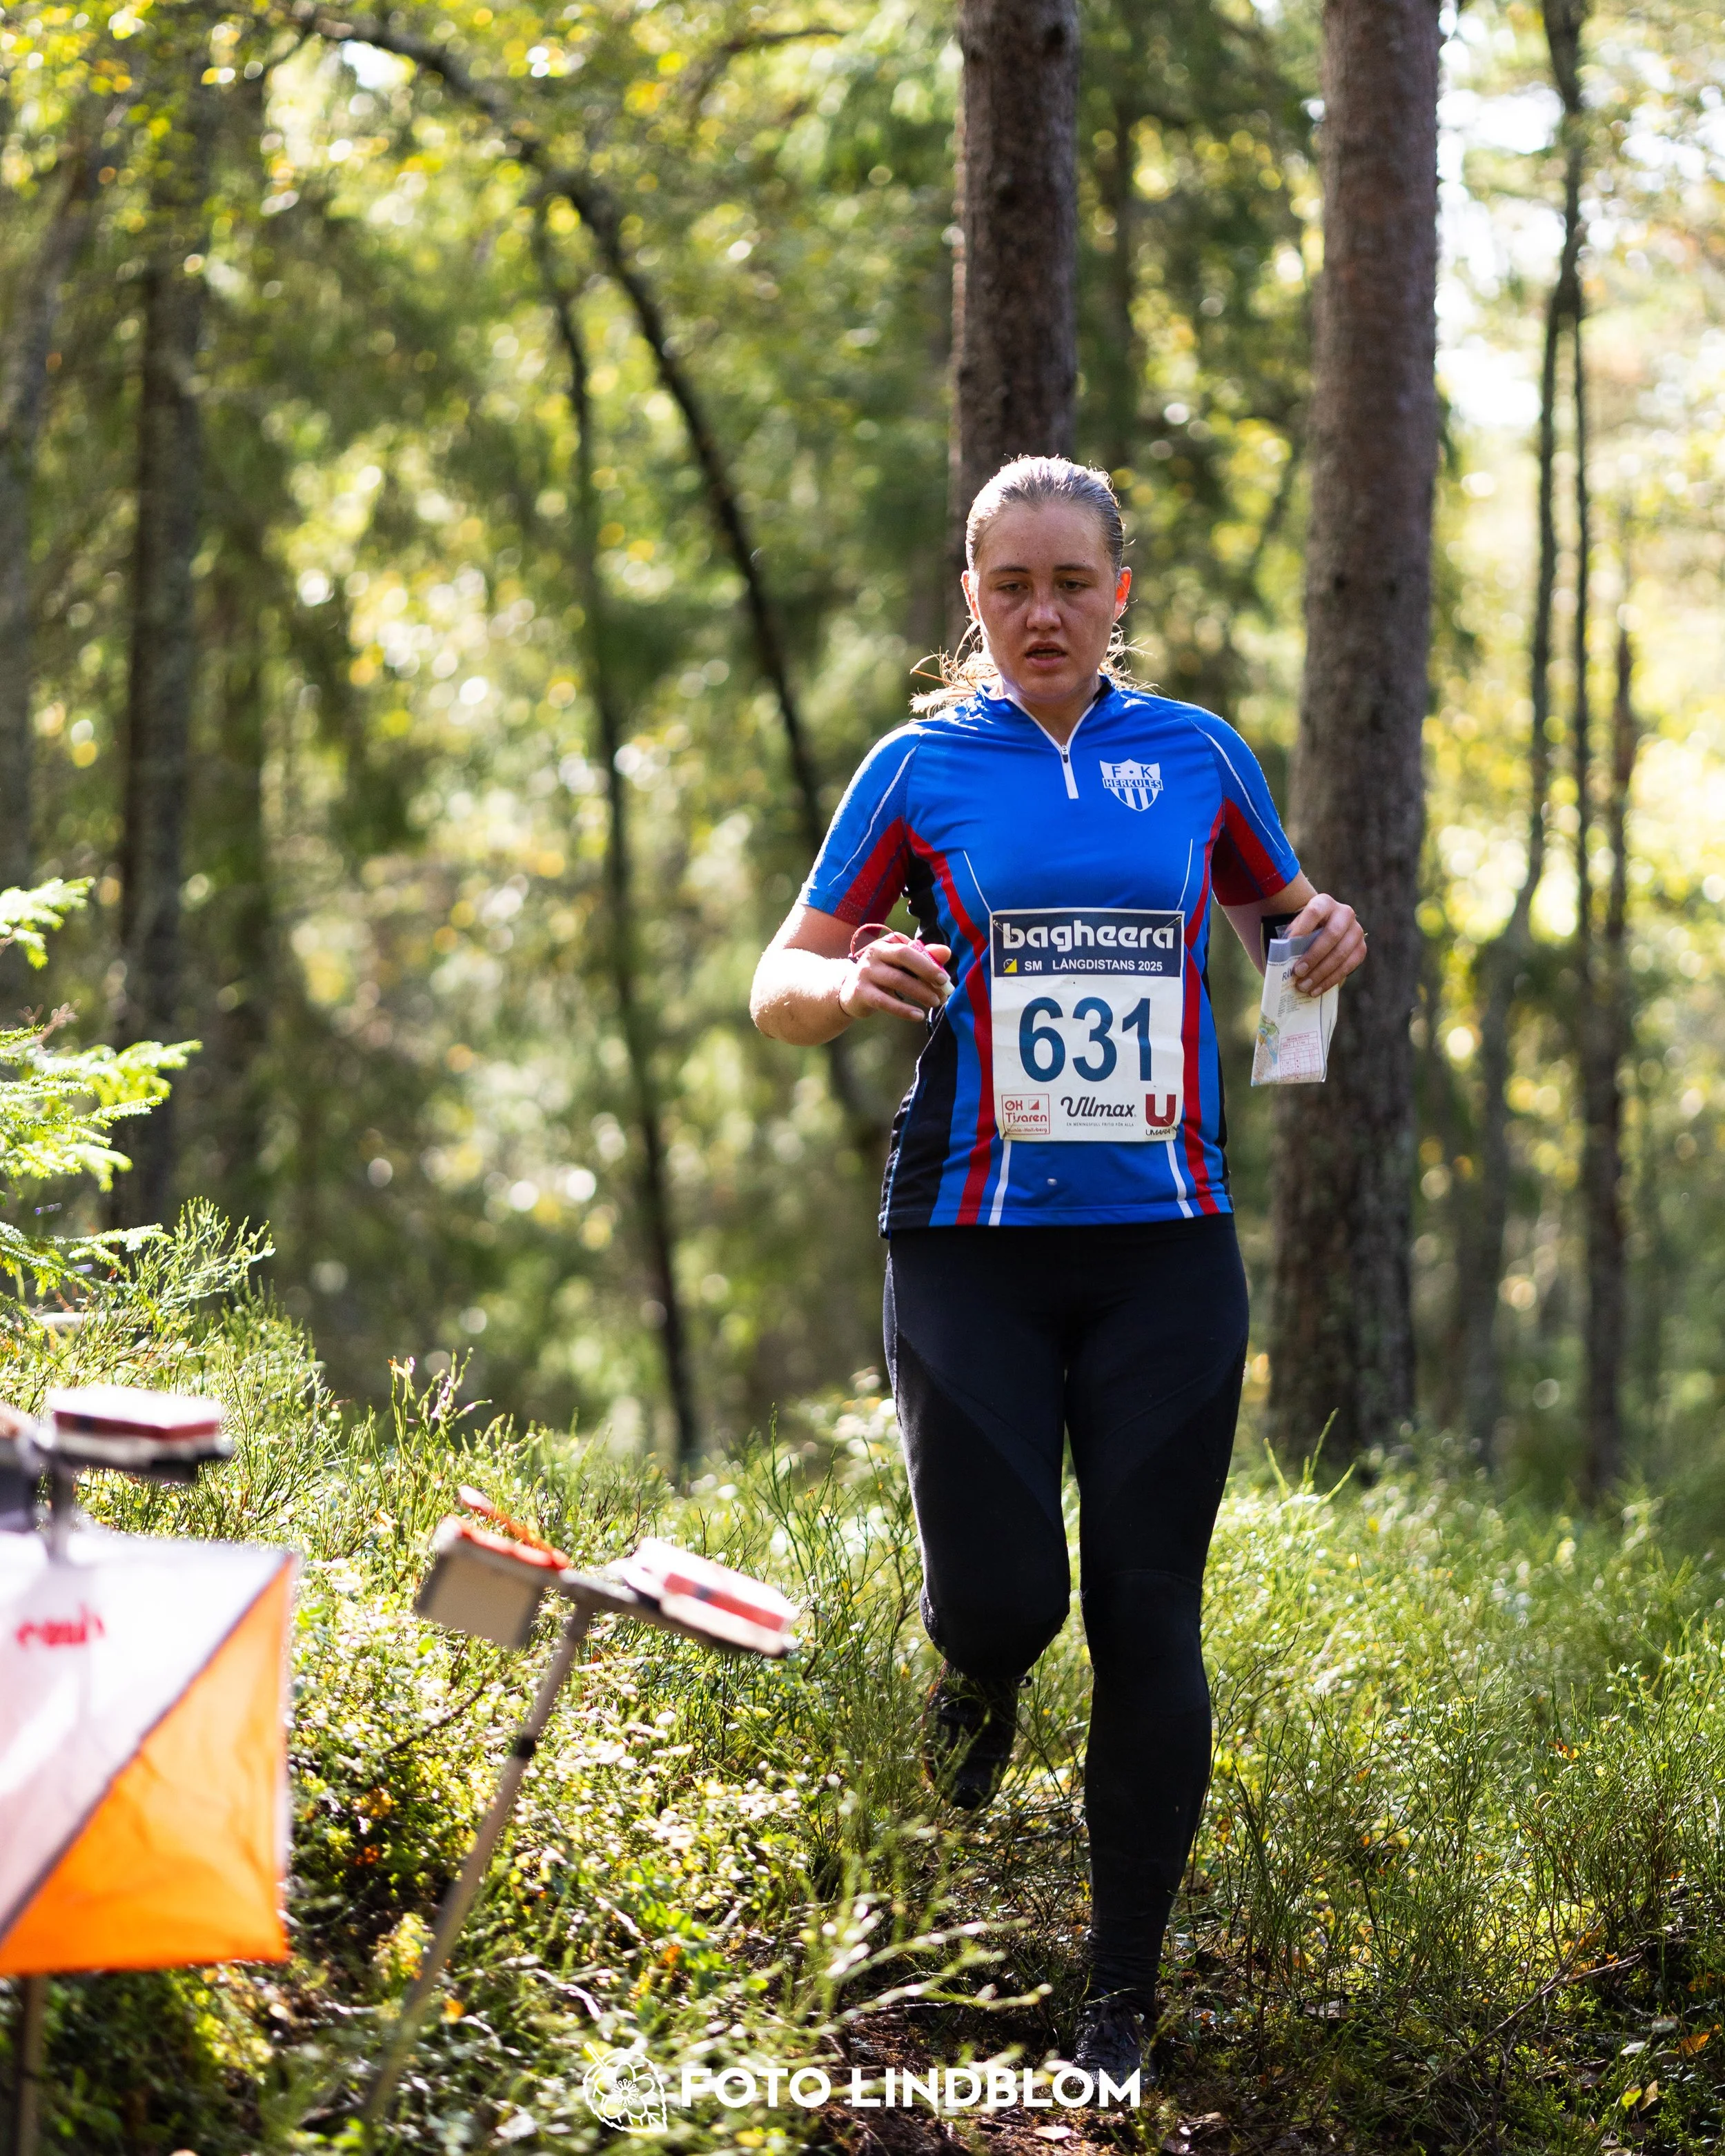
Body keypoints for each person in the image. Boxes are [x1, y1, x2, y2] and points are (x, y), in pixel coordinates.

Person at [749, 455, 1366, 2082]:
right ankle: (970, 1676)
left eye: (1069, 583)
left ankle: (1116, 1999)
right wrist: (847, 981)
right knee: (1005, 1598)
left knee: (1147, 1615)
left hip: (1167, 1249)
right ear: (971, 596)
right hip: (970, 1245)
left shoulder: (1198, 756)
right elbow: (776, 978)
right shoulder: (914, 767)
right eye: (1008, 584)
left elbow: (1276, 917)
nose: (1040, 612)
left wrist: (1317, 935)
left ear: (1119, 595)